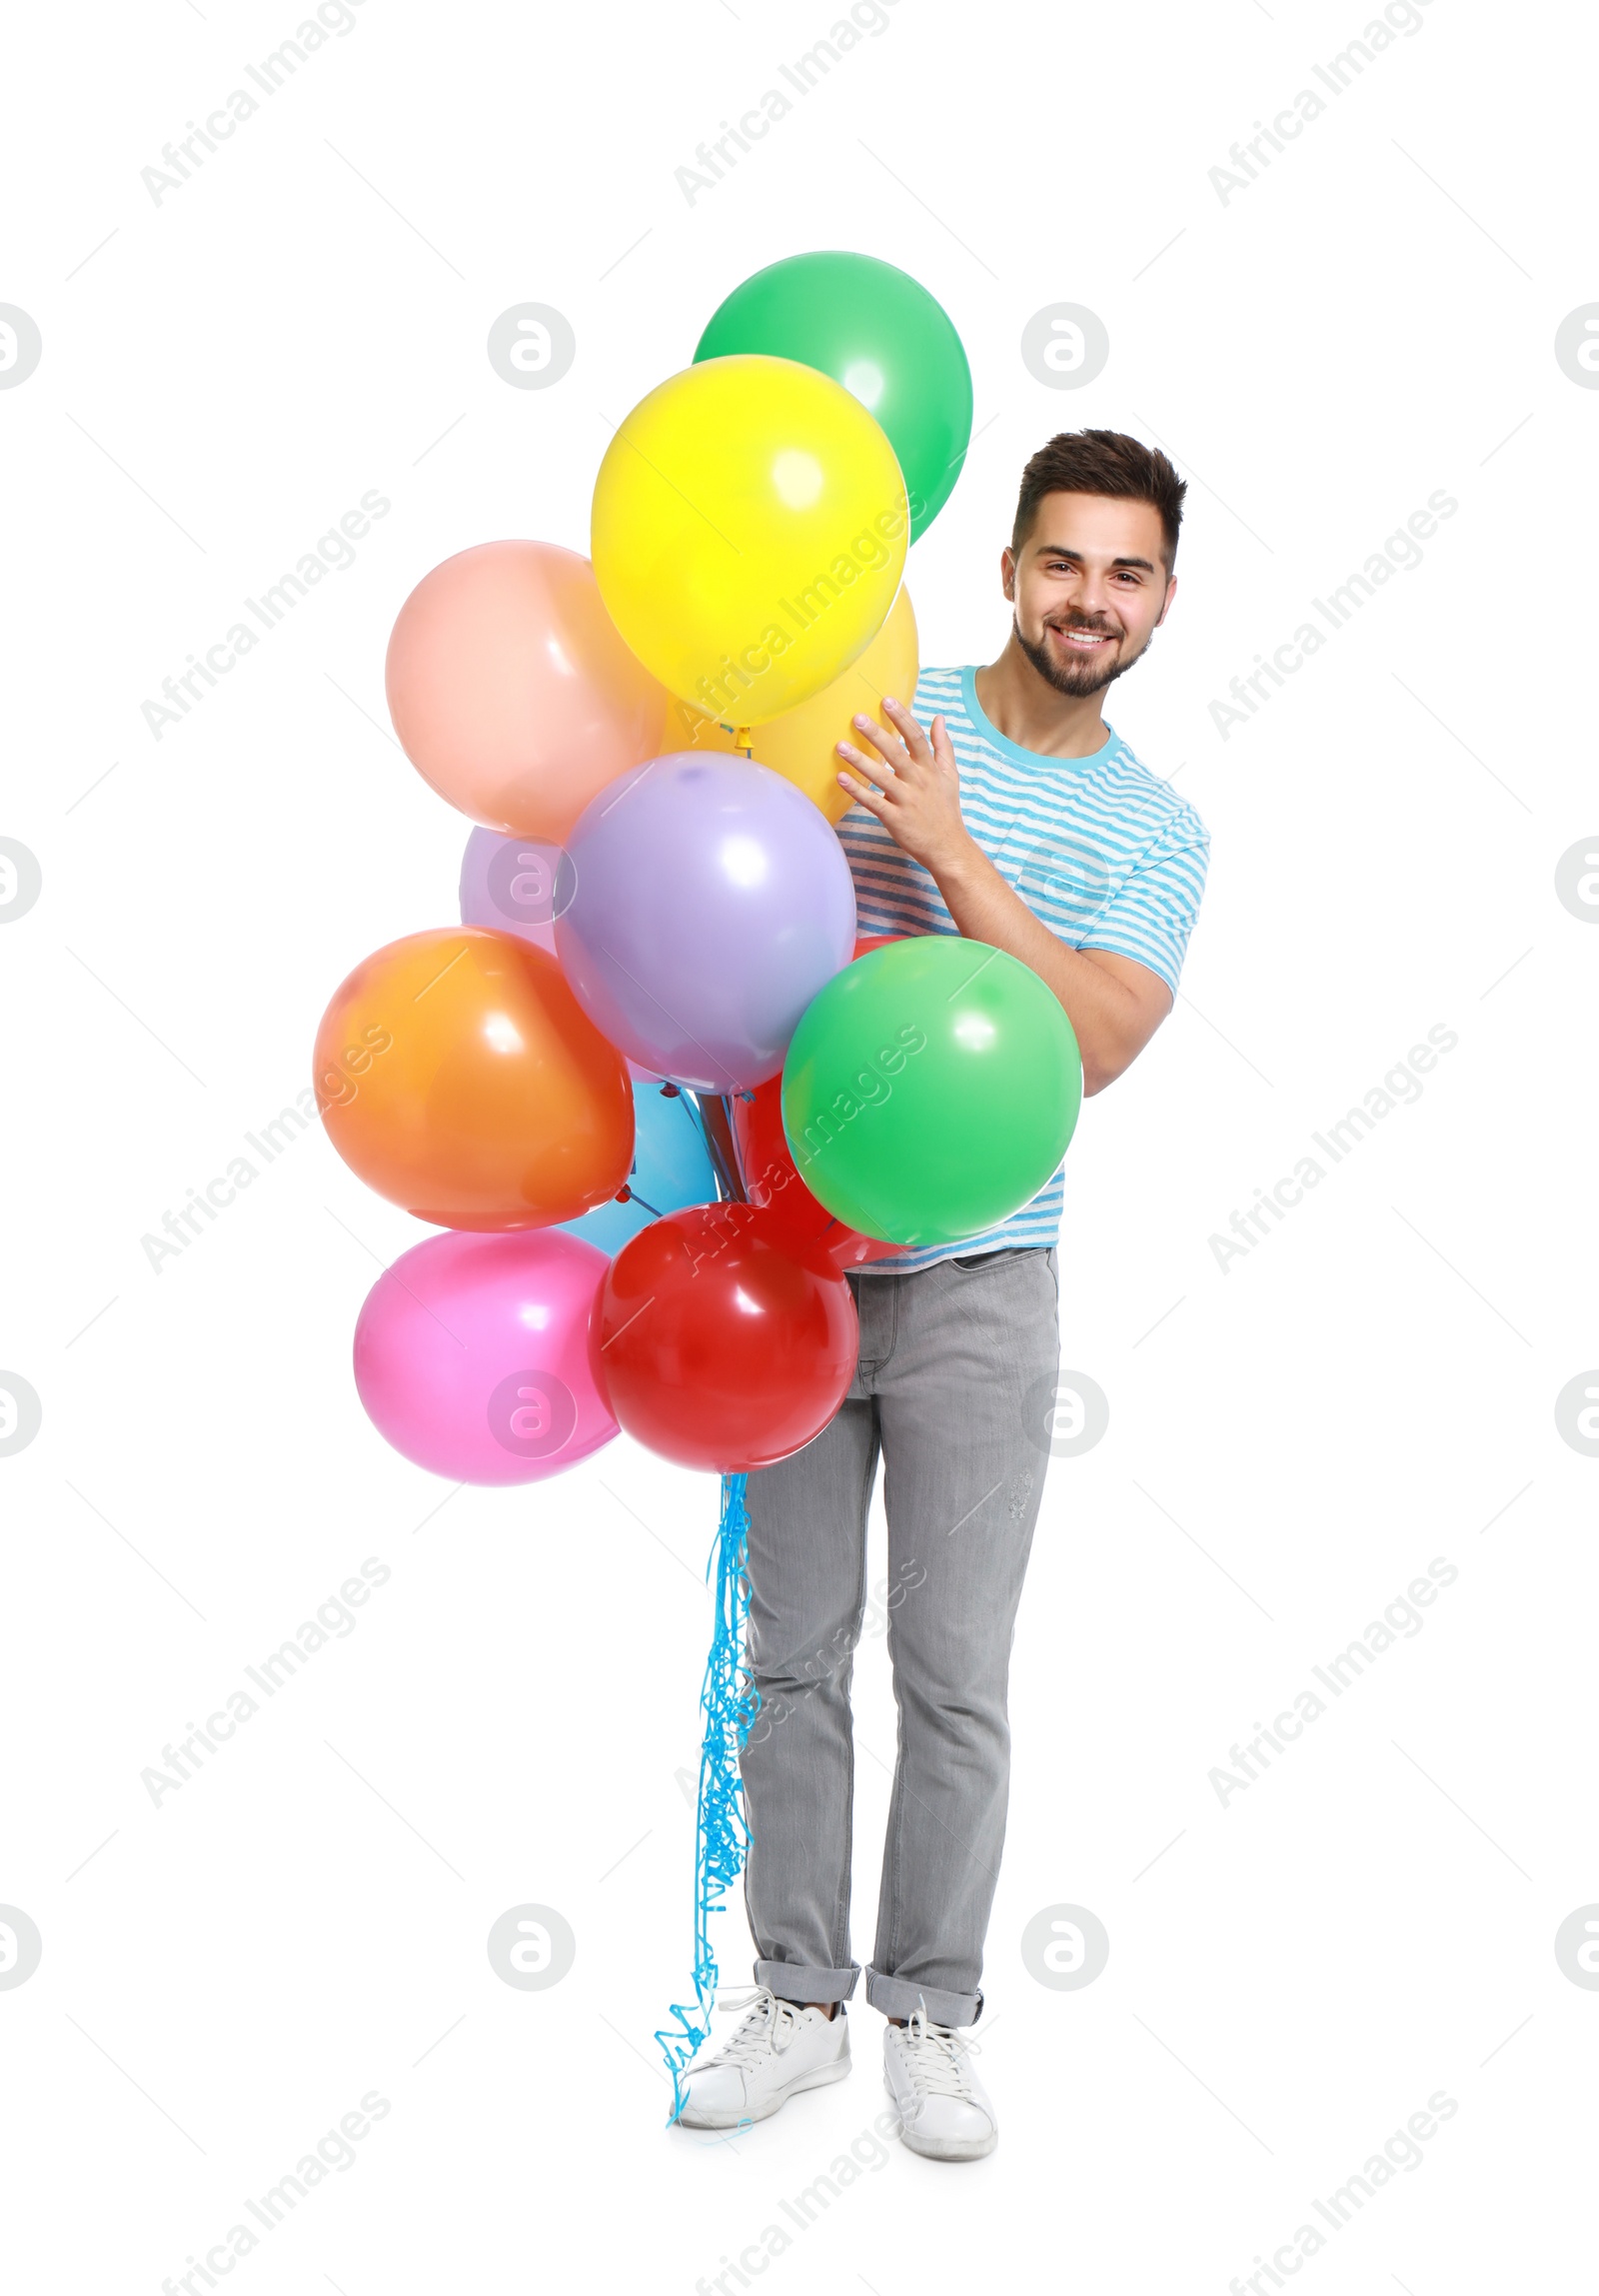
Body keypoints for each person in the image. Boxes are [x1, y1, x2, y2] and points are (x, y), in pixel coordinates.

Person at [678, 429, 1210, 2160]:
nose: (1091, 599)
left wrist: (954, 851)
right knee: (795, 1658)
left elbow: (1099, 1043)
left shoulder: (1157, 827)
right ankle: (798, 2000)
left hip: (987, 1282)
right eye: (1065, 562)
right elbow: (742, 912)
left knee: (956, 1670)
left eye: (1127, 573)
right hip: (795, 1268)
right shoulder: (889, 709)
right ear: (1009, 569)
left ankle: (931, 2014)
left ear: (1163, 602)